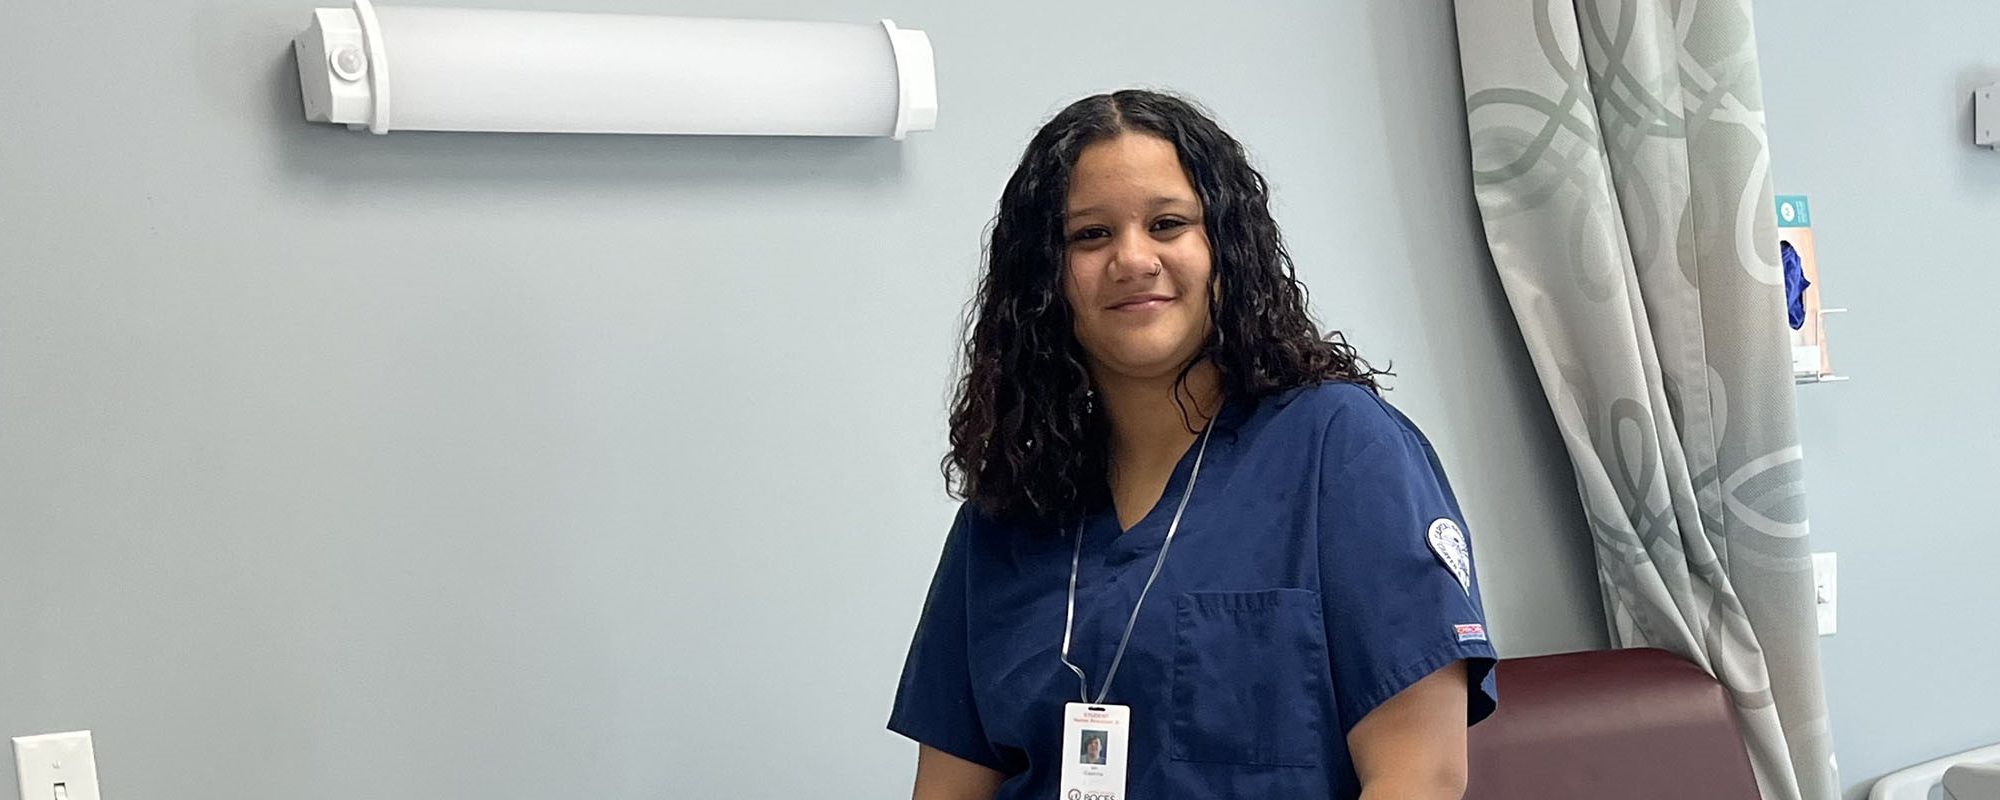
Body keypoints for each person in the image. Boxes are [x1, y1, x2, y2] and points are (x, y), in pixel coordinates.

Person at [889, 89, 1498, 800]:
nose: (1132, 258)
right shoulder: (1011, 505)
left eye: (1168, 223)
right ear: (1044, 281)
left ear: (1226, 251)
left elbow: (1419, 777)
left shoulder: (1342, 450)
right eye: (1089, 236)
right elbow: (947, 786)